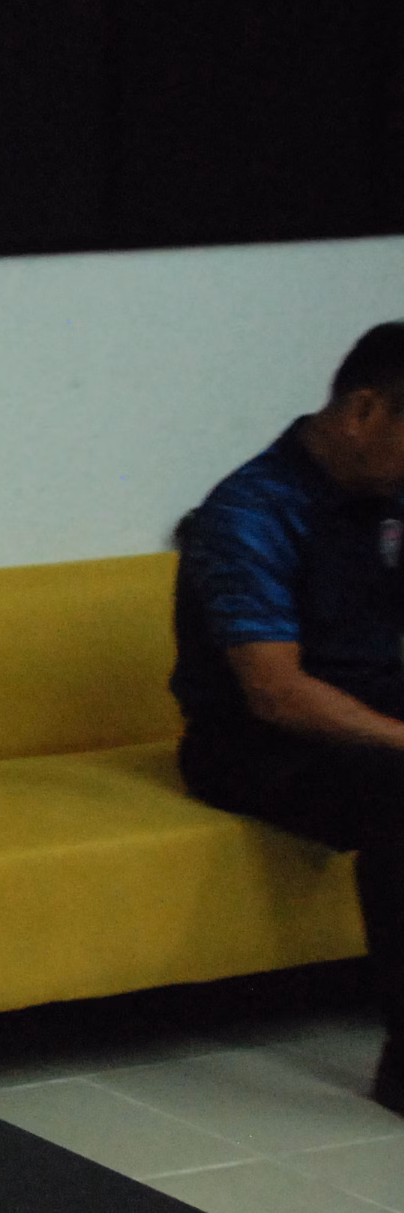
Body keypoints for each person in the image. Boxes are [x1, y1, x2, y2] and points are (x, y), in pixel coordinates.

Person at [172, 320, 404, 1115]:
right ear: (364, 411)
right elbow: (277, 691)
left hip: (376, 707)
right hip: (258, 743)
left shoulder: (388, 496)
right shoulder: (250, 512)